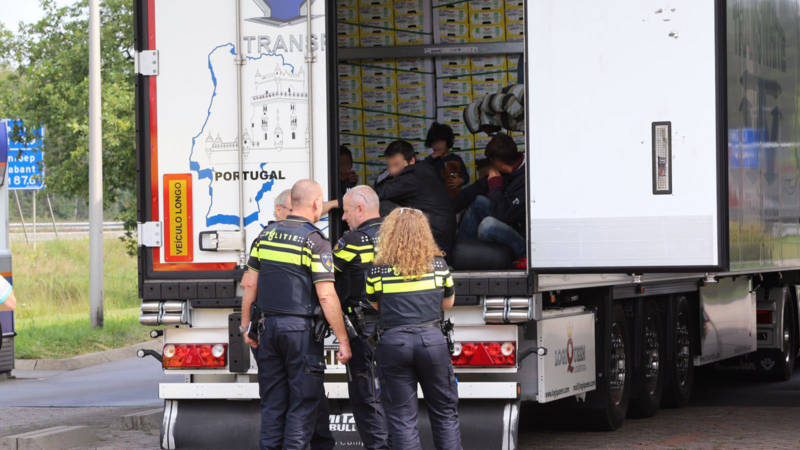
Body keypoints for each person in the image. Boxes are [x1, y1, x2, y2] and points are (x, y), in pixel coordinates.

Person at [241, 179, 352, 450]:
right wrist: (343, 339)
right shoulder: (315, 241)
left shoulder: (264, 236)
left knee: (273, 404)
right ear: (316, 204)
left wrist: (246, 326)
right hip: (300, 334)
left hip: (266, 329)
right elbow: (326, 295)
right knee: (302, 406)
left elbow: (250, 285)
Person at [365, 208, 461, 450]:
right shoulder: (439, 265)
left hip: (393, 341)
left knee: (401, 419)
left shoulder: (377, 270)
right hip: (432, 340)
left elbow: (375, 304)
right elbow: (448, 303)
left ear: (389, 234)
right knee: (444, 413)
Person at [332, 185, 389, 449]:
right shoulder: (399, 237)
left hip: (364, 329)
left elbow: (324, 275)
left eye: (345, 212)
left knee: (366, 397)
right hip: (399, 326)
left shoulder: (353, 240)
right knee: (397, 395)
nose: (343, 218)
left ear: (359, 209)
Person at [375, 140, 456, 254]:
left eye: (396, 164)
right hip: (441, 237)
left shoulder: (411, 176)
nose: (392, 171)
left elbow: (377, 195)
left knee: (383, 206)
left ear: (411, 161)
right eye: (389, 166)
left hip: (435, 240)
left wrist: (343, 203)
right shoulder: (423, 170)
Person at [456, 133, 526, 259]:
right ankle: (460, 254)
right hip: (508, 220)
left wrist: (495, 187)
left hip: (523, 241)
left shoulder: (527, 175)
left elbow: (504, 216)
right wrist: (445, 206)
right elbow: (476, 189)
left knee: (487, 225)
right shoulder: (505, 172)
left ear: (498, 162)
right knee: (479, 201)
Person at [424, 122, 469, 194]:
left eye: (440, 142)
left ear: (448, 142)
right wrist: (431, 158)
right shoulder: (430, 161)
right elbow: (420, 170)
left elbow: (466, 177)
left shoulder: (455, 158)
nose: (437, 146)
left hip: (453, 196)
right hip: (435, 197)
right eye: (434, 143)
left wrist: (461, 180)